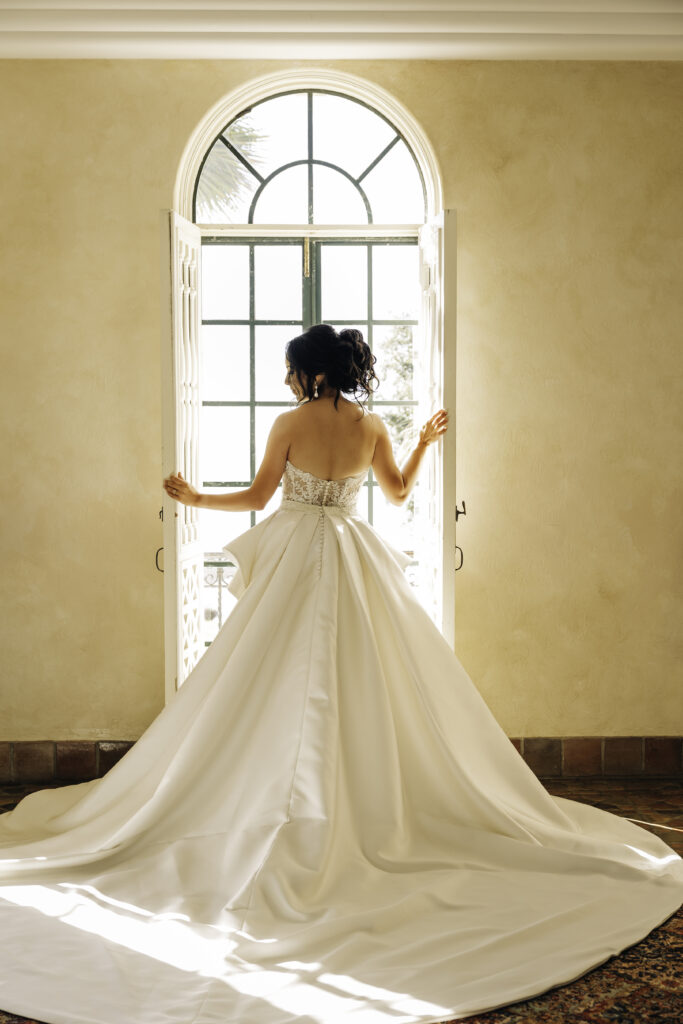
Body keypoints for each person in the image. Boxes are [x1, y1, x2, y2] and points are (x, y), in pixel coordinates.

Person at [0, 324, 681, 1024]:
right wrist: (420, 442)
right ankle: (357, 808)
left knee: (260, 683)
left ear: (308, 372)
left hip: (299, 553)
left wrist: (193, 498)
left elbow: (260, 496)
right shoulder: (371, 425)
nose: (287, 380)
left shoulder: (290, 422)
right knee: (365, 684)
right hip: (351, 554)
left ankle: (269, 804)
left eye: (291, 368)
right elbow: (394, 494)